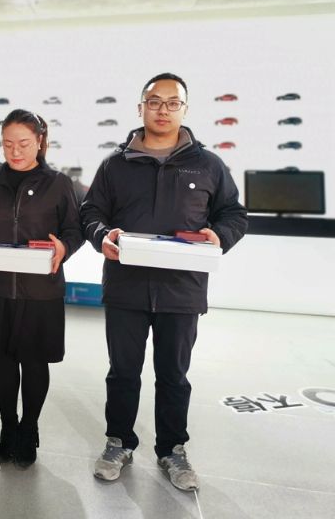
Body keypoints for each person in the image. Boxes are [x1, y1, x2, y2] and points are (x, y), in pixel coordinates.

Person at [80, 73, 247, 491]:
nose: (163, 109)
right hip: (126, 287)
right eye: (155, 101)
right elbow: (90, 212)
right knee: (123, 372)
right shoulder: (115, 164)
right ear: (141, 107)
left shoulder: (208, 164)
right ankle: (119, 442)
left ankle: (172, 448)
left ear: (185, 110)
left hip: (182, 290)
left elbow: (233, 214)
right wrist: (102, 236)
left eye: (173, 102)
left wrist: (219, 236)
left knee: (174, 374)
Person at [0, 109, 84, 467]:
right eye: (7, 144)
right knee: (2, 360)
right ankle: (8, 427)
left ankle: (29, 429)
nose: (15, 151)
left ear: (40, 142)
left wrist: (64, 247)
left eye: (24, 144)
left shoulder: (58, 183)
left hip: (41, 290)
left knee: (34, 362)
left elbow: (74, 230)